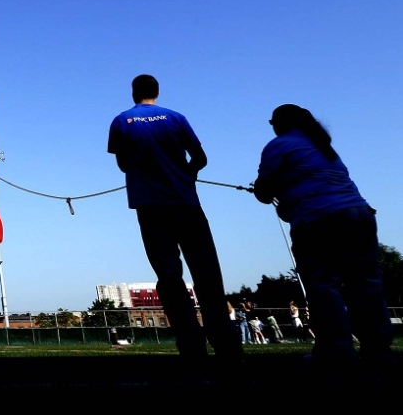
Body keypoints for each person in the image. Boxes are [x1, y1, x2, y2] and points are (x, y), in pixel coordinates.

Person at [108, 74, 242, 362]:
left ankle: (190, 343)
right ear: (157, 92)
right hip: (186, 203)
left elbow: (121, 163)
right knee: (206, 273)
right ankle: (226, 342)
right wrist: (186, 174)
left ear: (133, 92)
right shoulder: (176, 117)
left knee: (169, 276)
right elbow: (200, 158)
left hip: (149, 206)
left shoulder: (121, 121)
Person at [253, 104, 393, 369]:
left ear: (279, 123)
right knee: (366, 287)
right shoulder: (324, 147)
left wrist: (274, 194)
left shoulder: (280, 145)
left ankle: (337, 351)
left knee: (323, 286)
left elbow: (263, 190)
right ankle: (379, 352)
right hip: (359, 215)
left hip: (318, 219)